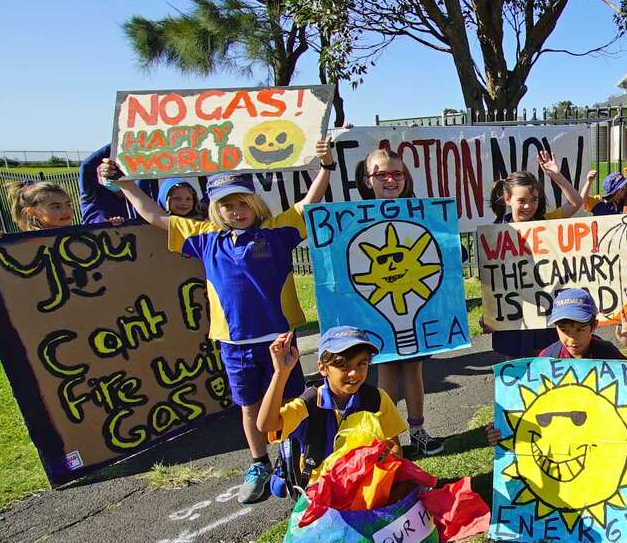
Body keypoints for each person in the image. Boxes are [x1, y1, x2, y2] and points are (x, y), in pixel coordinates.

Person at [100, 139, 334, 503]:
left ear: (255, 203)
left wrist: (327, 167)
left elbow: (308, 203)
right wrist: (126, 184)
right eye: (227, 205)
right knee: (250, 405)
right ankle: (259, 463)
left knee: (291, 404)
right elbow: (153, 214)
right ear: (216, 209)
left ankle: (301, 458)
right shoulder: (204, 238)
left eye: (242, 203)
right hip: (233, 342)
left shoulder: (278, 231)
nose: (236, 211)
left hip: (279, 341)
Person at [484, 287, 627, 446]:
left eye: (580, 329)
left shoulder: (606, 353)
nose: (572, 338)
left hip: (601, 438)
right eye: (564, 329)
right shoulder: (546, 359)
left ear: (594, 326)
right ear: (555, 327)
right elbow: (526, 408)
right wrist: (502, 429)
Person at [362, 147, 443, 456]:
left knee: (413, 370)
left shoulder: (421, 211)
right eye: (381, 174)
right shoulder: (353, 218)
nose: (390, 179)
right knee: (385, 372)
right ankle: (389, 437)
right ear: (368, 180)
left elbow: (439, 249)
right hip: (377, 313)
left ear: (406, 178)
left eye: (397, 173)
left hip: (414, 306)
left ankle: (418, 431)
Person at [257, 326, 408, 490]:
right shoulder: (309, 404)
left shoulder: (375, 399)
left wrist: (381, 474)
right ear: (323, 368)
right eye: (343, 365)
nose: (354, 373)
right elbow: (266, 425)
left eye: (362, 363)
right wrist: (280, 373)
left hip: (366, 488)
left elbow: (394, 446)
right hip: (320, 493)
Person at [481, 160, 586, 358]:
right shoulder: (495, 233)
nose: (529, 206)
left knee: (546, 364)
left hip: (544, 312)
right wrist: (488, 313)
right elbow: (492, 278)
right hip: (514, 314)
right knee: (515, 367)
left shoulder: (546, 223)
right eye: (522, 200)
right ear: (507, 199)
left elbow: (576, 203)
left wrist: (556, 175)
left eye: (534, 199)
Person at [0, 180, 78, 239]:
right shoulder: (25, 242)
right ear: (32, 212)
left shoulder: (84, 234)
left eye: (68, 204)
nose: (66, 211)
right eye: (56, 207)